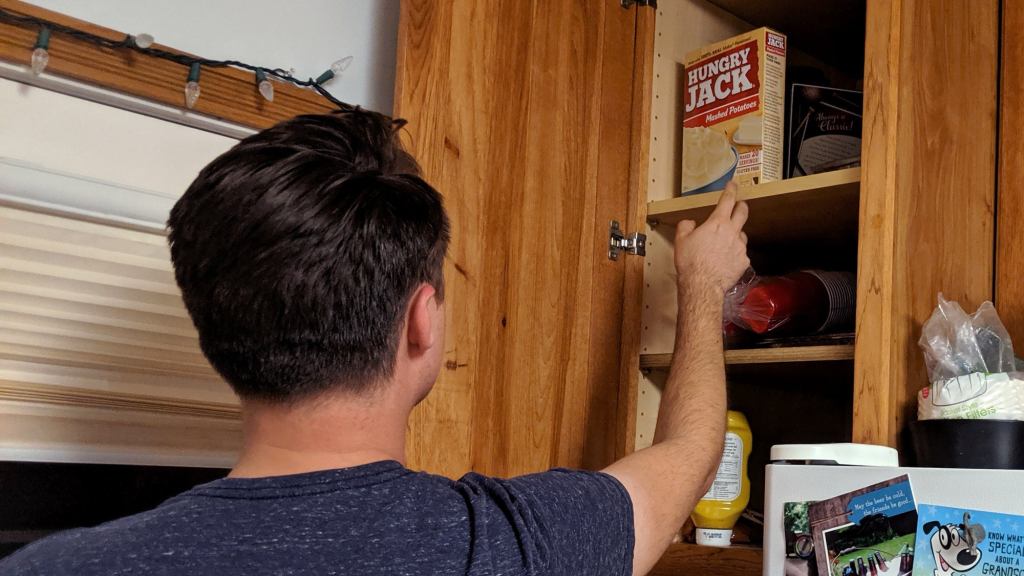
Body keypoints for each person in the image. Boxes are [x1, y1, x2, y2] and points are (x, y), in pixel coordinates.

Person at [0, 110, 749, 575]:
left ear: (217, 333)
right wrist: (704, 286)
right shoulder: (524, 543)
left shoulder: (57, 567)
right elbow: (691, 452)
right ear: (423, 321)